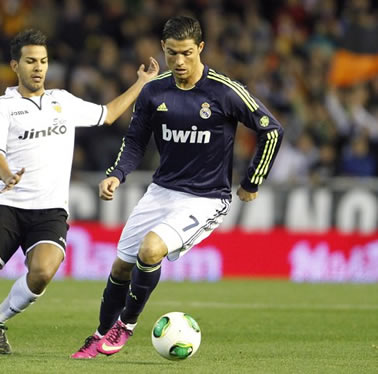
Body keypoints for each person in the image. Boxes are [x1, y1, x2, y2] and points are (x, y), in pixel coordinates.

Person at [0, 29, 159, 354]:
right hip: (9, 206)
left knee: (43, 272)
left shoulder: (62, 101)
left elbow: (108, 114)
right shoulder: (2, 107)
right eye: (31, 61)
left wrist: (141, 84)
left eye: (43, 61)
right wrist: (6, 174)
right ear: (15, 65)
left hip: (50, 211)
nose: (38, 67)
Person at [71, 15, 284, 359]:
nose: (180, 62)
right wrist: (117, 173)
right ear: (163, 49)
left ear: (200, 48)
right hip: (161, 192)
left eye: (186, 53)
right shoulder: (154, 90)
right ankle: (98, 336)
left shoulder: (224, 91)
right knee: (120, 267)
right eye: (172, 54)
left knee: (151, 250)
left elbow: (271, 129)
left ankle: (125, 325)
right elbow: (136, 140)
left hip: (205, 198)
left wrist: (252, 180)